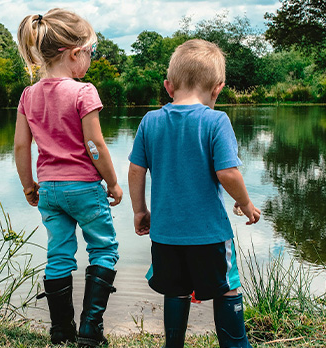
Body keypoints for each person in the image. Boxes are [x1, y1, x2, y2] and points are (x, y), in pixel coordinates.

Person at [128, 39, 261, 348]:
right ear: (218, 88)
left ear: (169, 86)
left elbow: (136, 170)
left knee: (175, 288)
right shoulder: (216, 121)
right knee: (227, 287)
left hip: (164, 235)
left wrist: (139, 210)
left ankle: (173, 344)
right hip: (209, 235)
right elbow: (227, 173)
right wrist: (245, 203)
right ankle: (235, 344)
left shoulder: (150, 121)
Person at [14, 8, 122, 347]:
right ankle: (90, 330)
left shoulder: (28, 95)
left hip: (49, 190)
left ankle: (61, 330)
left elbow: (20, 146)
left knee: (59, 254)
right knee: (103, 249)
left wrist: (28, 185)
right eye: (90, 52)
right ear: (74, 54)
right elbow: (94, 144)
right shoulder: (83, 91)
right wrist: (114, 182)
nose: (90, 60)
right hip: (84, 188)